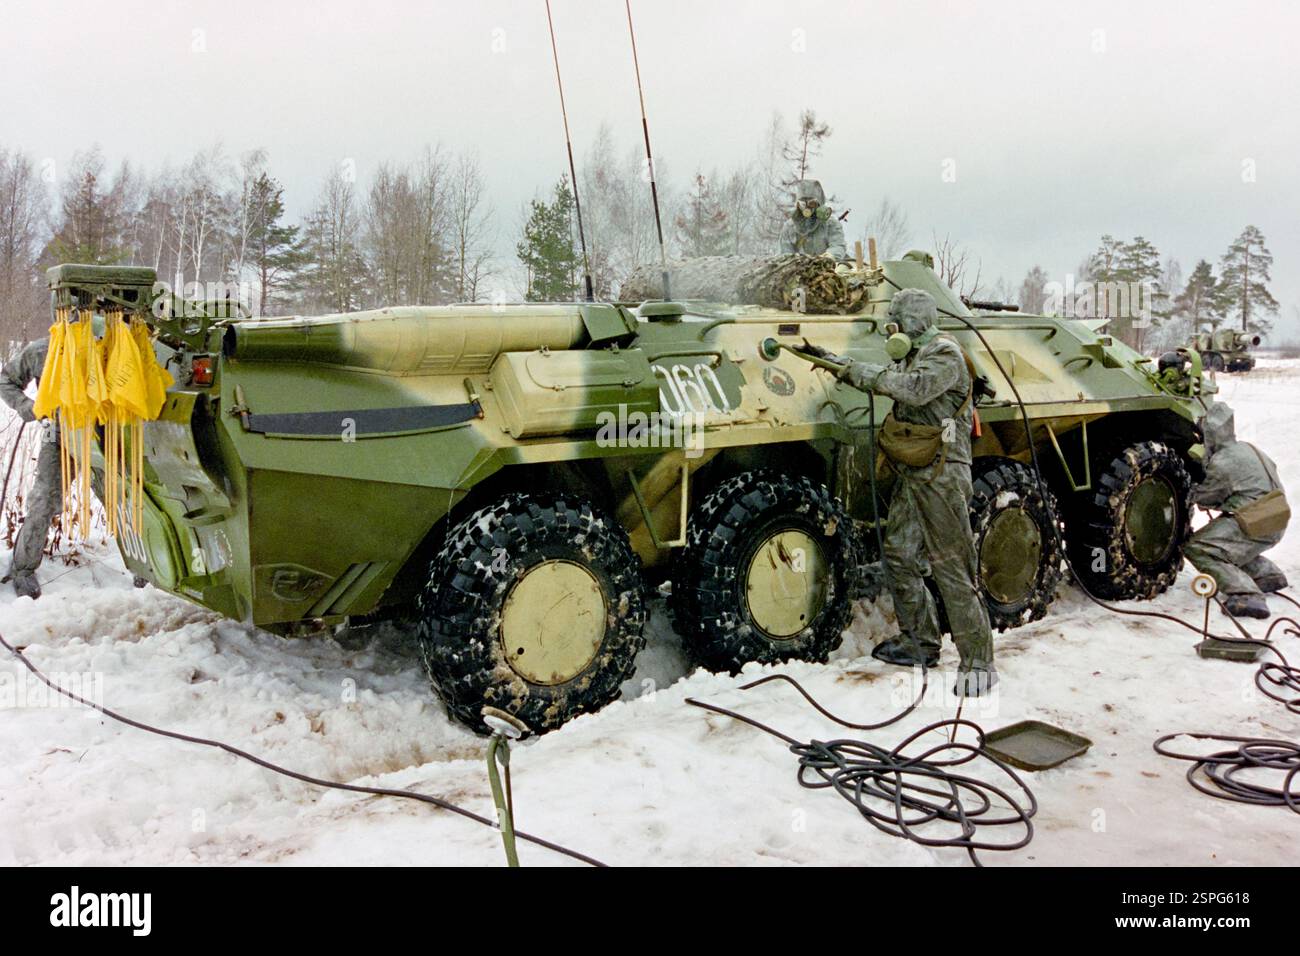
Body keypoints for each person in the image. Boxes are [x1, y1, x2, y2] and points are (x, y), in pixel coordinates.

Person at [797, 288, 996, 696]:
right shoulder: (915, 356)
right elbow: (893, 376)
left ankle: (979, 664)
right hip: (918, 472)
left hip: (942, 477)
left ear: (916, 321)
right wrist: (835, 362)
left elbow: (913, 389)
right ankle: (920, 642)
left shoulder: (944, 355)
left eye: (897, 319)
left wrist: (857, 373)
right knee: (901, 554)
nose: (892, 326)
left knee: (951, 567)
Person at [1183, 401, 1290, 619]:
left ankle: (1245, 594)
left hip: (1254, 522)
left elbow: (1204, 497)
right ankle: (1267, 575)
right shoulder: (1248, 448)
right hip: (1276, 517)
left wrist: (1190, 478)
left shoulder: (1223, 461)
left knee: (1199, 547)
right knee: (1229, 544)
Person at [0, 338, 57, 600]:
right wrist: (27, 406)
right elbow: (5, 380)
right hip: (57, 436)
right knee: (43, 499)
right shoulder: (43, 350)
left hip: (105, 435)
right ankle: (23, 569)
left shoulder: (114, 344)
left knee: (130, 497)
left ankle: (146, 567)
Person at [778, 179, 847, 259]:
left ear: (819, 204)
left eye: (812, 203)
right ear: (797, 204)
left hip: (829, 268)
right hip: (799, 269)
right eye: (803, 203)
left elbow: (838, 246)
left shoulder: (830, 224)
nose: (807, 207)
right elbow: (784, 254)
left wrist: (826, 258)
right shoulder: (790, 227)